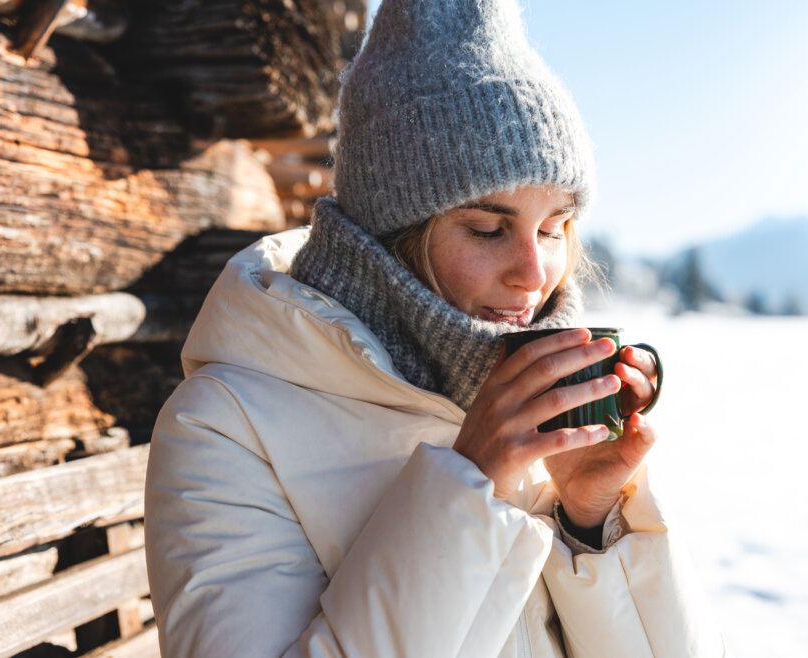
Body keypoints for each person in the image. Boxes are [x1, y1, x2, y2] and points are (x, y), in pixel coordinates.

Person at [144, 0, 724, 655]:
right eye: (487, 228)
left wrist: (592, 521)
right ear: (392, 234)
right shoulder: (224, 425)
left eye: (554, 227)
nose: (535, 274)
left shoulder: (534, 402)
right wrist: (471, 479)